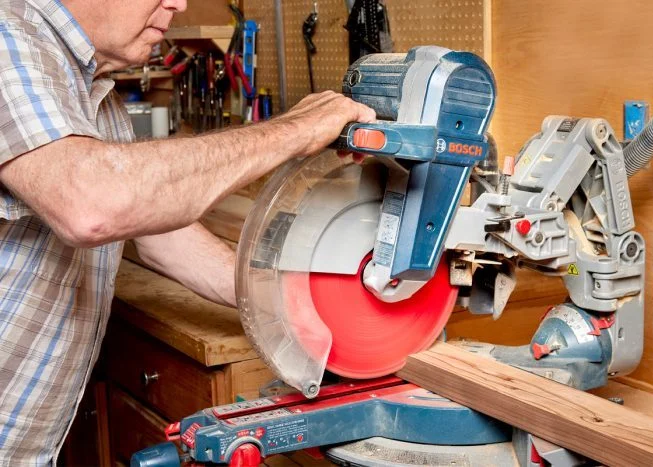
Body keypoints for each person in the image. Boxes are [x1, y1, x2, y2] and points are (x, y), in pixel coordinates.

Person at [0, 0, 375, 463]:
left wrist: (292, 303)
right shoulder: (8, 40)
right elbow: (91, 204)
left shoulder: (95, 94)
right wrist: (291, 131)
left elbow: (163, 239)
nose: (178, 3)